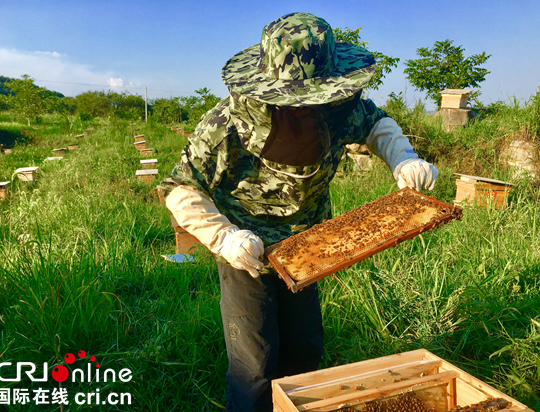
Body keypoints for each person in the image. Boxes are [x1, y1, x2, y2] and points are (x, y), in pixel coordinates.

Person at [160, 12, 437, 412]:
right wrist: (223, 236)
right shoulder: (226, 124)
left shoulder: (340, 106)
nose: (306, 107)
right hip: (246, 250)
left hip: (310, 245)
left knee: (305, 345)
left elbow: (377, 125)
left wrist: (403, 159)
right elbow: (181, 188)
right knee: (254, 362)